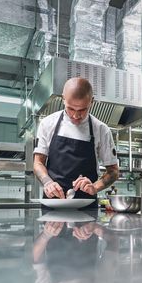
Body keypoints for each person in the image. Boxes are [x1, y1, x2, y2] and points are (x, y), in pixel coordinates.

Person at [33, 77, 119, 205]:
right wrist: (48, 182)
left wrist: (95, 187)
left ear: (91, 102)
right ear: (63, 99)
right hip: (53, 204)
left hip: (87, 207)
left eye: (82, 110)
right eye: (71, 108)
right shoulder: (47, 124)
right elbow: (38, 163)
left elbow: (113, 171)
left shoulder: (101, 129)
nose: (76, 116)